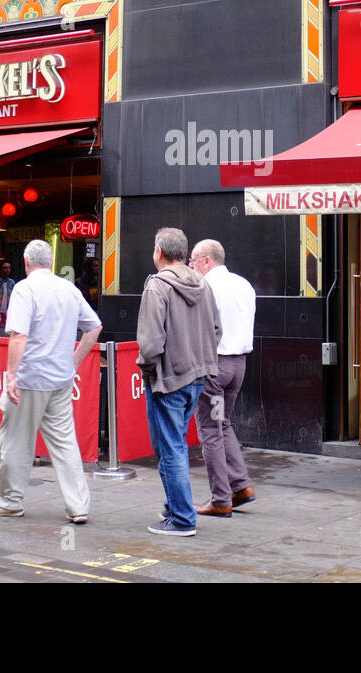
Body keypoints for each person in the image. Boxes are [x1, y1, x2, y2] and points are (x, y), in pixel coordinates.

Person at [0, 240, 101, 523]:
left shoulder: (25, 289)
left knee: (17, 442)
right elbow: (94, 327)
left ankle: (10, 501)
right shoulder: (69, 289)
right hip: (61, 380)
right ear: (51, 262)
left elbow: (19, 336)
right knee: (65, 444)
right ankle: (78, 506)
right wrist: (73, 363)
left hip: (30, 379)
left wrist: (11, 375)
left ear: (25, 261)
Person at [135, 227, 220, 537]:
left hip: (168, 378)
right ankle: (175, 507)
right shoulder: (203, 284)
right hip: (197, 375)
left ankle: (182, 518)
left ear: (159, 252)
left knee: (170, 448)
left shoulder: (157, 286)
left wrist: (147, 366)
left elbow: (151, 342)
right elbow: (216, 329)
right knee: (174, 444)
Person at [188, 239, 256, 517]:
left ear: (206, 261)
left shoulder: (206, 286)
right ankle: (240, 486)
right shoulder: (244, 284)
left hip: (215, 366)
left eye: (193, 261)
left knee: (210, 431)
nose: (191, 266)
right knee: (223, 424)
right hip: (238, 365)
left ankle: (220, 498)